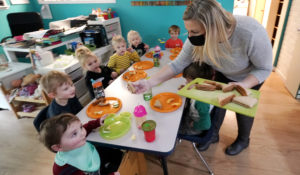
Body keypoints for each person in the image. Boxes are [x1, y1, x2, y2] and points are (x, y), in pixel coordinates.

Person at [131, 0, 273, 156]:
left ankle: (243, 140)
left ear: (214, 28)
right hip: (222, 72)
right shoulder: (196, 36)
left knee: (243, 109)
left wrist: (244, 84)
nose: (190, 37)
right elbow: (177, 65)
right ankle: (212, 135)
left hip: (250, 77)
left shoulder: (250, 32)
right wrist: (149, 82)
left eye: (194, 32)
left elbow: (264, 68)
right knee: (217, 105)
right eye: (188, 31)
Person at [39, 113, 121, 175]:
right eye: (74, 134)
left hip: (96, 166)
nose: (82, 133)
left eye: (80, 127)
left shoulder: (75, 142)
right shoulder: (66, 169)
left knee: (117, 153)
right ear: (58, 147)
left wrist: (98, 122)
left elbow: (86, 127)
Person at [178, 62, 214, 135]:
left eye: (188, 82)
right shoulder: (205, 87)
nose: (186, 83)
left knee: (174, 130)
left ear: (198, 83)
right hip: (193, 114)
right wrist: (186, 89)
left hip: (196, 125)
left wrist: (194, 125)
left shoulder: (201, 102)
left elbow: (206, 125)